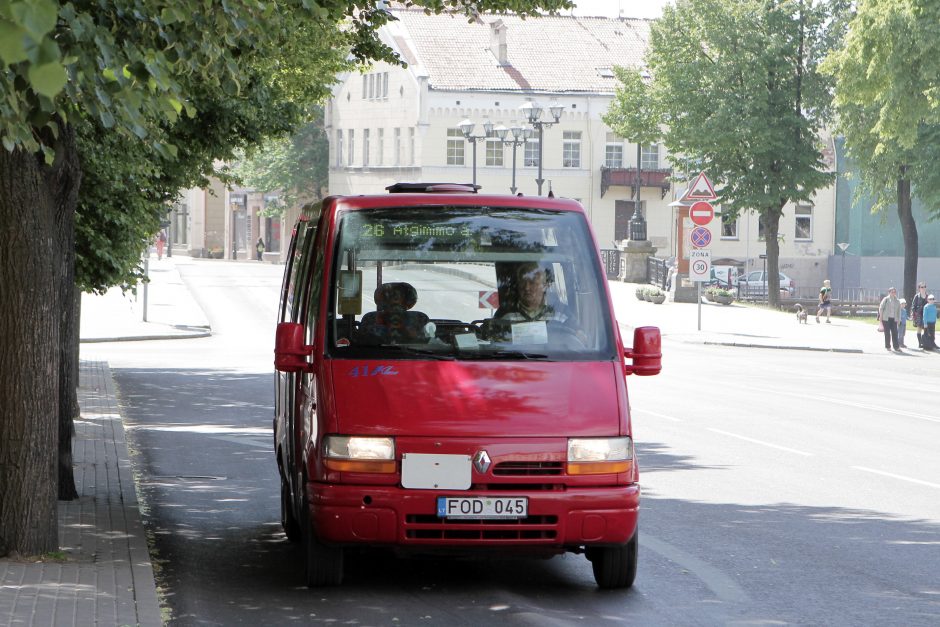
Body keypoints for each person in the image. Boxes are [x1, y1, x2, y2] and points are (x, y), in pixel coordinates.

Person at [495, 262, 568, 323]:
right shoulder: (507, 317)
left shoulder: (560, 315)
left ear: (544, 286)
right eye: (523, 282)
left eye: (532, 283)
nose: (527, 288)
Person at [878, 287, 902, 352]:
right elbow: (881, 308)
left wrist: (899, 319)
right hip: (886, 319)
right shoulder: (886, 299)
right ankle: (888, 346)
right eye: (892, 292)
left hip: (894, 319)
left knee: (895, 332)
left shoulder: (897, 301)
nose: (893, 293)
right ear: (889, 292)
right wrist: (881, 317)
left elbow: (899, 311)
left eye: (894, 292)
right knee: (887, 333)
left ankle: (896, 347)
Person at [911, 282, 928, 348]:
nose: (923, 288)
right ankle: (920, 343)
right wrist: (913, 313)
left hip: (926, 315)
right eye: (922, 287)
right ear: (919, 288)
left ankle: (925, 343)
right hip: (918, 314)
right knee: (919, 329)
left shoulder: (927, 296)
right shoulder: (917, 296)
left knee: (926, 329)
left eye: (924, 287)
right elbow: (913, 305)